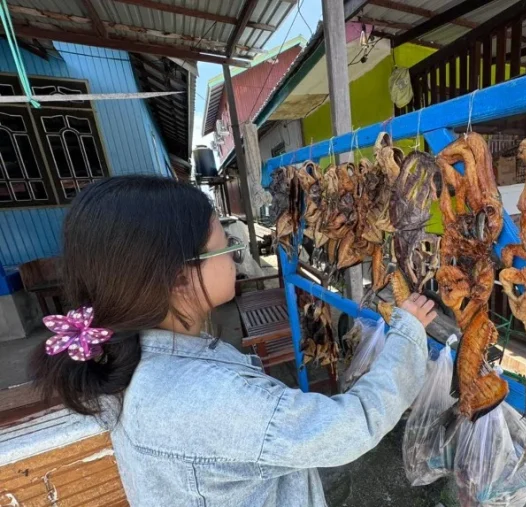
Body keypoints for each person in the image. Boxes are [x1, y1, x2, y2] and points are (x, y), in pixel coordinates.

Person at [30, 176, 437, 506]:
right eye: (225, 247)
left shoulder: (130, 360)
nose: (236, 257)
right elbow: (352, 426)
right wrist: (408, 333)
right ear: (178, 276)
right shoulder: (207, 400)